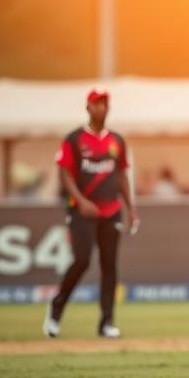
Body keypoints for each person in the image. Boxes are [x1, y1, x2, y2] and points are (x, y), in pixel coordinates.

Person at [43, 89, 139, 339]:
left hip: (111, 211)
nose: (101, 109)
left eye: (104, 104)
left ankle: (106, 322)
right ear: (87, 108)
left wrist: (131, 208)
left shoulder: (116, 140)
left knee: (109, 265)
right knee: (82, 260)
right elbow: (64, 174)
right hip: (82, 211)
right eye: (96, 104)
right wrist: (81, 201)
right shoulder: (74, 139)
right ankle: (56, 309)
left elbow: (121, 176)